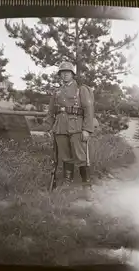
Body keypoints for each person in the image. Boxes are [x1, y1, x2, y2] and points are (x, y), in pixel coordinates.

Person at [46, 61, 95, 199]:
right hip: (60, 127)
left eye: (67, 72)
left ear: (72, 74)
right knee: (65, 156)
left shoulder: (81, 89)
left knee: (81, 157)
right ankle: (67, 183)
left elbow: (88, 110)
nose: (65, 74)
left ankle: (87, 187)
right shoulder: (56, 92)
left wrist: (87, 129)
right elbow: (51, 111)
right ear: (60, 75)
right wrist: (49, 127)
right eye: (62, 72)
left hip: (77, 127)